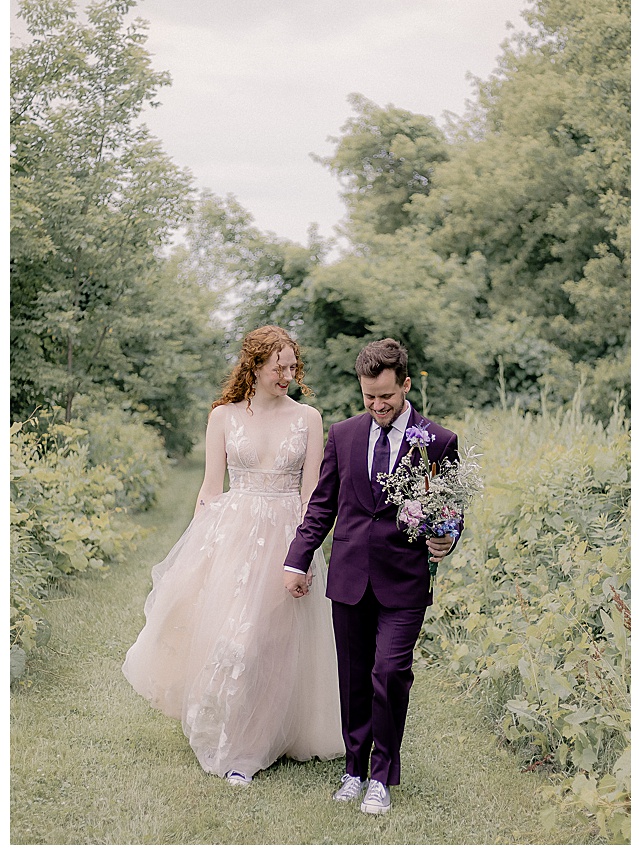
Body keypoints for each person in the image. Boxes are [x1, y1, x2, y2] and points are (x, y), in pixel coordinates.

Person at [124, 325, 344, 785]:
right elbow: (209, 489)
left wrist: (304, 554)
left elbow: (312, 496)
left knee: (275, 641)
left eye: (291, 367)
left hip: (288, 536)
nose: (287, 375)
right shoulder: (223, 417)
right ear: (255, 365)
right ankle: (234, 742)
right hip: (235, 537)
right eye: (278, 367)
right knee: (235, 639)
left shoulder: (308, 418)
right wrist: (198, 553)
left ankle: (264, 739)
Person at [283, 338, 461, 817]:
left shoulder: (440, 440)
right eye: (369, 397)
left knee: (390, 673)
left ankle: (382, 775)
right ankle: (354, 769)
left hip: (403, 581)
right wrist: (297, 558)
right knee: (354, 678)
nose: (379, 406)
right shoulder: (343, 434)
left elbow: (451, 508)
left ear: (405, 384)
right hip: (349, 577)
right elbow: (322, 505)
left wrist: (446, 537)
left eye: (386, 396)